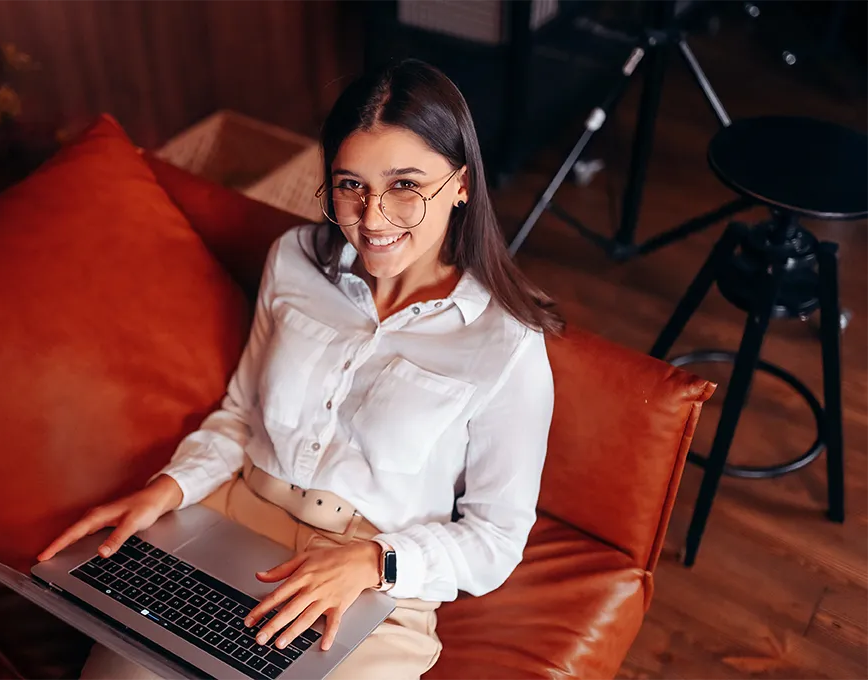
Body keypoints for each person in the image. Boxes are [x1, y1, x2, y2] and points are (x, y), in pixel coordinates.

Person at [39, 58, 562, 680]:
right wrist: (170, 488)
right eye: (350, 185)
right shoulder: (293, 262)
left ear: (462, 184)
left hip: (367, 577)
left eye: (404, 186)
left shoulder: (509, 344)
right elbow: (240, 413)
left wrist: (374, 561)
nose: (371, 220)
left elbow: (496, 540)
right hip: (231, 521)